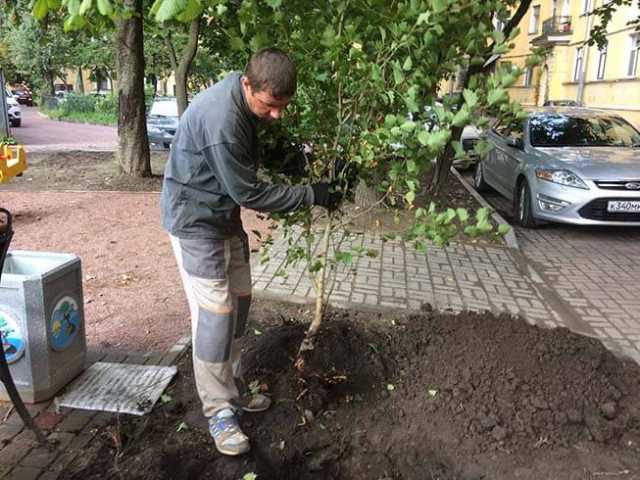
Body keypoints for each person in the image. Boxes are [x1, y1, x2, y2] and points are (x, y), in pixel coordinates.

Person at [160, 47, 341, 456]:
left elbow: (263, 146)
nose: (276, 114)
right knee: (215, 315)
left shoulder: (245, 102)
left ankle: (232, 386)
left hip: (222, 218)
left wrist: (306, 164)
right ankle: (218, 410)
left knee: (241, 303)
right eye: (270, 106)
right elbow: (248, 192)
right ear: (248, 85)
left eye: (283, 107)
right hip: (194, 222)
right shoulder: (222, 120)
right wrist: (312, 194)